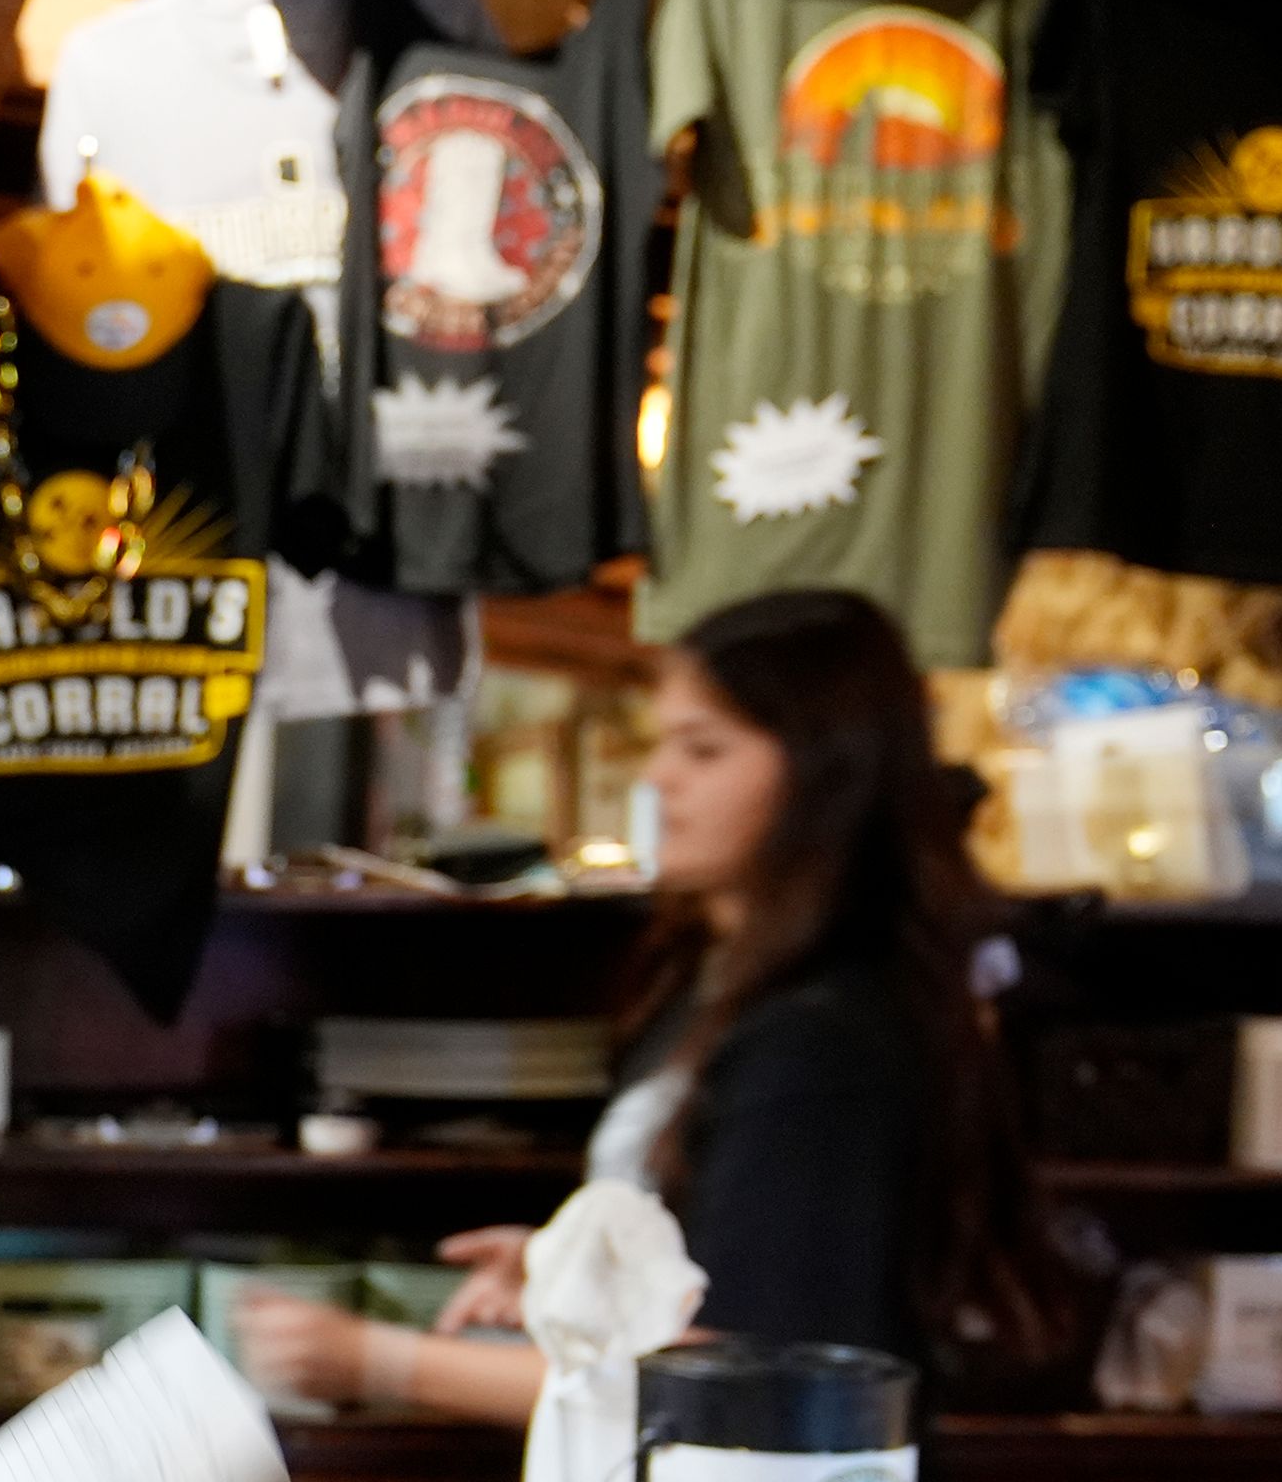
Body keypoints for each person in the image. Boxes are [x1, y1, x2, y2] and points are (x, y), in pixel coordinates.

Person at [236, 586, 1064, 1424]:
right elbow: (738, 1262)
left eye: (703, 750)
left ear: (827, 774)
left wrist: (380, 1361)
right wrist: (575, 1273)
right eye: (664, 743)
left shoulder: (828, 1037)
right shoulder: (721, 982)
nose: (659, 777)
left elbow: (741, 1372)